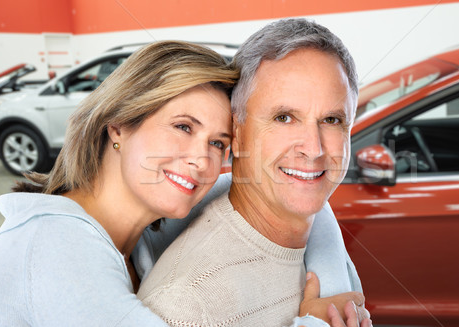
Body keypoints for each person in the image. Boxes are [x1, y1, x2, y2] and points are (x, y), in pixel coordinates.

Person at [0, 40, 364, 326]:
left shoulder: (139, 229)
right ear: (119, 125)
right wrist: (320, 322)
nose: (201, 159)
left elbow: (303, 192)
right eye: (182, 127)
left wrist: (329, 288)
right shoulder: (56, 245)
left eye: (218, 143)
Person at [137, 18, 371, 327]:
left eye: (331, 120)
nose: (314, 149)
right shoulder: (186, 304)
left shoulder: (320, 236)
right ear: (235, 131)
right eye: (284, 117)